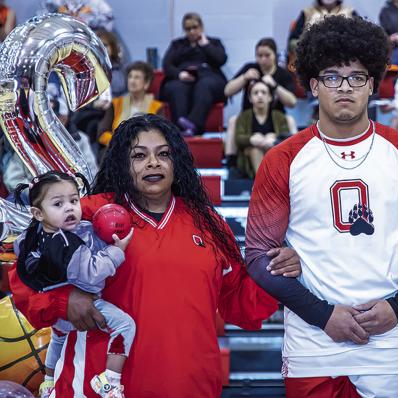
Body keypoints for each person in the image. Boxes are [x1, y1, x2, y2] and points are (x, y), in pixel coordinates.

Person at [245, 15, 398, 398]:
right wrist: (323, 315)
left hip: (388, 340)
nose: (345, 87)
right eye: (332, 76)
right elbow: (256, 257)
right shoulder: (282, 159)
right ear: (314, 85)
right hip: (311, 340)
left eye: (357, 77)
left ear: (372, 84)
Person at [9, 114, 302, 397]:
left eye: (164, 154)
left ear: (177, 163)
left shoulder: (210, 224)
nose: (153, 162)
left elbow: (242, 306)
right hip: (98, 387)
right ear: (123, 164)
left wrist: (275, 270)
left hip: (192, 386)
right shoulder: (88, 214)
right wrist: (63, 301)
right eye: (139, 155)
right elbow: (24, 273)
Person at [12, 171, 134, 398]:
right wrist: (116, 252)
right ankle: (110, 381)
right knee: (126, 325)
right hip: (80, 308)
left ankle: (48, 380)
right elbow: (92, 274)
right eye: (58, 204)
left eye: (74, 201)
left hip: (58, 316)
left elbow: (21, 252)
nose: (69, 208)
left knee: (57, 339)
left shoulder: (34, 235)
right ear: (37, 213)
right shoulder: (67, 242)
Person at [223, 38, 297, 167]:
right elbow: (227, 91)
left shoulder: (282, 74)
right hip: (250, 118)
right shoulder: (250, 68)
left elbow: (292, 102)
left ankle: (297, 160)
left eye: (267, 55)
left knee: (290, 120)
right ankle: (231, 161)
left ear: (274, 55)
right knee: (233, 120)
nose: (263, 59)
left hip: (274, 118)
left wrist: (274, 86)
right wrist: (244, 78)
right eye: (259, 56)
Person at [160, 12, 227, 136]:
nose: (191, 31)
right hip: (183, 78)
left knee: (205, 85)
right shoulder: (177, 45)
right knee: (175, 87)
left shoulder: (214, 42)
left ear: (201, 27)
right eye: (188, 29)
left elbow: (221, 59)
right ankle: (180, 128)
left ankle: (193, 124)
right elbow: (167, 64)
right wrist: (180, 74)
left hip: (208, 77)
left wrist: (206, 45)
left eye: (195, 28)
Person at [234, 81, 297, 178]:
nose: (260, 96)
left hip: (274, 153)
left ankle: (269, 183)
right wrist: (251, 139)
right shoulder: (244, 116)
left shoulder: (279, 116)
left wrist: (275, 139)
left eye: (263, 92)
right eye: (255, 93)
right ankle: (263, 183)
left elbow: (288, 138)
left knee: (273, 149)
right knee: (255, 150)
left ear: (270, 97)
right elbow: (238, 138)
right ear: (250, 98)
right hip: (250, 159)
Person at [97, 61, 165, 148]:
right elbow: (102, 133)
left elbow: (161, 134)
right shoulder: (116, 103)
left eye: (137, 77)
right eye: (130, 77)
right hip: (118, 150)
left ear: (146, 83)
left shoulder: (157, 107)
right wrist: (118, 143)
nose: (132, 81)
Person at [287, 0, 357, 67]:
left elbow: (361, 39)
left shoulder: (350, 12)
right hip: (313, 60)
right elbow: (292, 41)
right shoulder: (307, 13)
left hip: (345, 61)